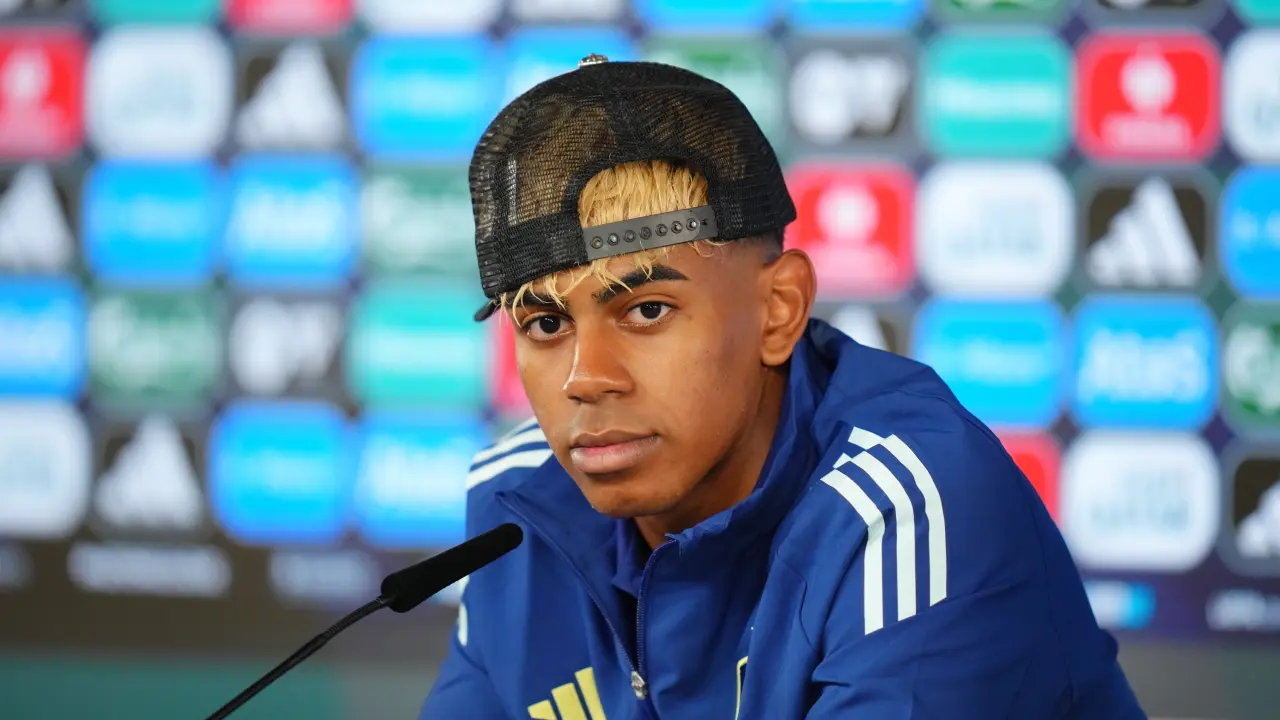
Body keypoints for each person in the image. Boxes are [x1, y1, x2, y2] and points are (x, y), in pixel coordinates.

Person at [420, 56, 1146, 719]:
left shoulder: (913, 507)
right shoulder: (516, 499)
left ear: (779, 310)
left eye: (647, 311)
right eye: (546, 324)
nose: (587, 378)